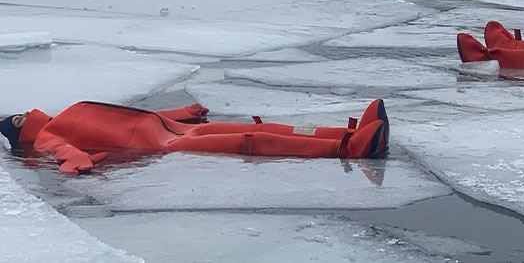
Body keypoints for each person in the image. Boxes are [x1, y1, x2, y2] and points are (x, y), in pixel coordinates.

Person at [0, 99, 388, 175]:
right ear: (20, 133)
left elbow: (129, 117)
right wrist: (76, 162)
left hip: (176, 129)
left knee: (256, 128)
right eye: (17, 120)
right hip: (166, 143)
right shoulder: (45, 137)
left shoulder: (63, 114)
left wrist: (177, 115)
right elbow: (63, 151)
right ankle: (349, 148)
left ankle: (348, 130)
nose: (25, 114)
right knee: (250, 143)